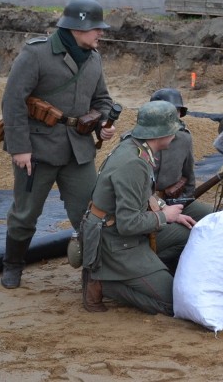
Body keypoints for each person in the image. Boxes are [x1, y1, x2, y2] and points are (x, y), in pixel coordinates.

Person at [0, 0, 117, 289]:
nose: (100, 34)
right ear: (78, 28)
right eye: (95, 29)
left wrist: (102, 123)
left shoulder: (94, 58)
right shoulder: (36, 54)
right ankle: (13, 266)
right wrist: (19, 148)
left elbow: (101, 99)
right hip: (37, 150)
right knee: (25, 215)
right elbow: (13, 101)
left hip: (78, 151)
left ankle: (93, 274)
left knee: (91, 214)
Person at [80, 100, 198, 315]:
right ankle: (105, 283)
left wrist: (167, 212)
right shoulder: (134, 163)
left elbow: (143, 195)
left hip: (121, 231)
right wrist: (164, 216)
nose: (175, 134)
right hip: (115, 241)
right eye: (172, 129)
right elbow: (127, 224)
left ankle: (148, 272)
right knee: (175, 304)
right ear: (160, 134)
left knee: (185, 235)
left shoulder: (136, 148)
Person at [148, 88, 213, 273]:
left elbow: (188, 174)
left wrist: (185, 199)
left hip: (175, 200)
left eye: (177, 112)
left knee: (213, 217)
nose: (174, 116)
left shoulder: (184, 138)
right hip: (146, 205)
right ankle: (155, 265)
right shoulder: (137, 139)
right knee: (185, 232)